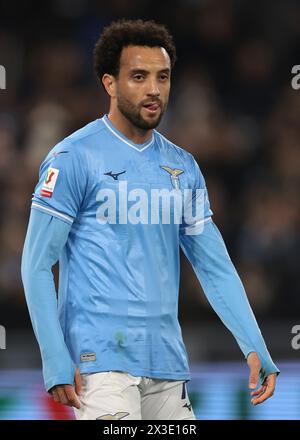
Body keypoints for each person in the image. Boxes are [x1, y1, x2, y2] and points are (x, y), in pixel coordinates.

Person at [21, 19, 279, 420]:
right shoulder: (73, 158)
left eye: (163, 77)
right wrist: (54, 355)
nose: (154, 89)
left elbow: (214, 267)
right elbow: (36, 264)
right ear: (110, 83)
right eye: (139, 77)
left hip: (166, 362)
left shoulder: (183, 167)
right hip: (99, 364)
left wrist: (254, 344)